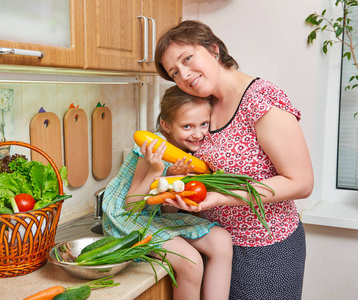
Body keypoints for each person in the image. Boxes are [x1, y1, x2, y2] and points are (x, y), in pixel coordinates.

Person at [154, 20, 314, 300]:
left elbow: (301, 183)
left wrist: (221, 198)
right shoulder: (206, 103)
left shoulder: (261, 99)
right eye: (174, 72)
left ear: (214, 49)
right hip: (217, 245)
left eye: (187, 59)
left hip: (266, 249)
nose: (184, 75)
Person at [102, 85, 233, 300]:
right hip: (125, 217)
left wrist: (172, 180)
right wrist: (156, 169)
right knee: (190, 261)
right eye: (187, 126)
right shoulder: (154, 147)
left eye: (204, 124)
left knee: (222, 240)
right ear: (166, 124)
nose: (198, 133)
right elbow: (131, 204)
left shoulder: (187, 150)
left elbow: (167, 209)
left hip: (154, 215)